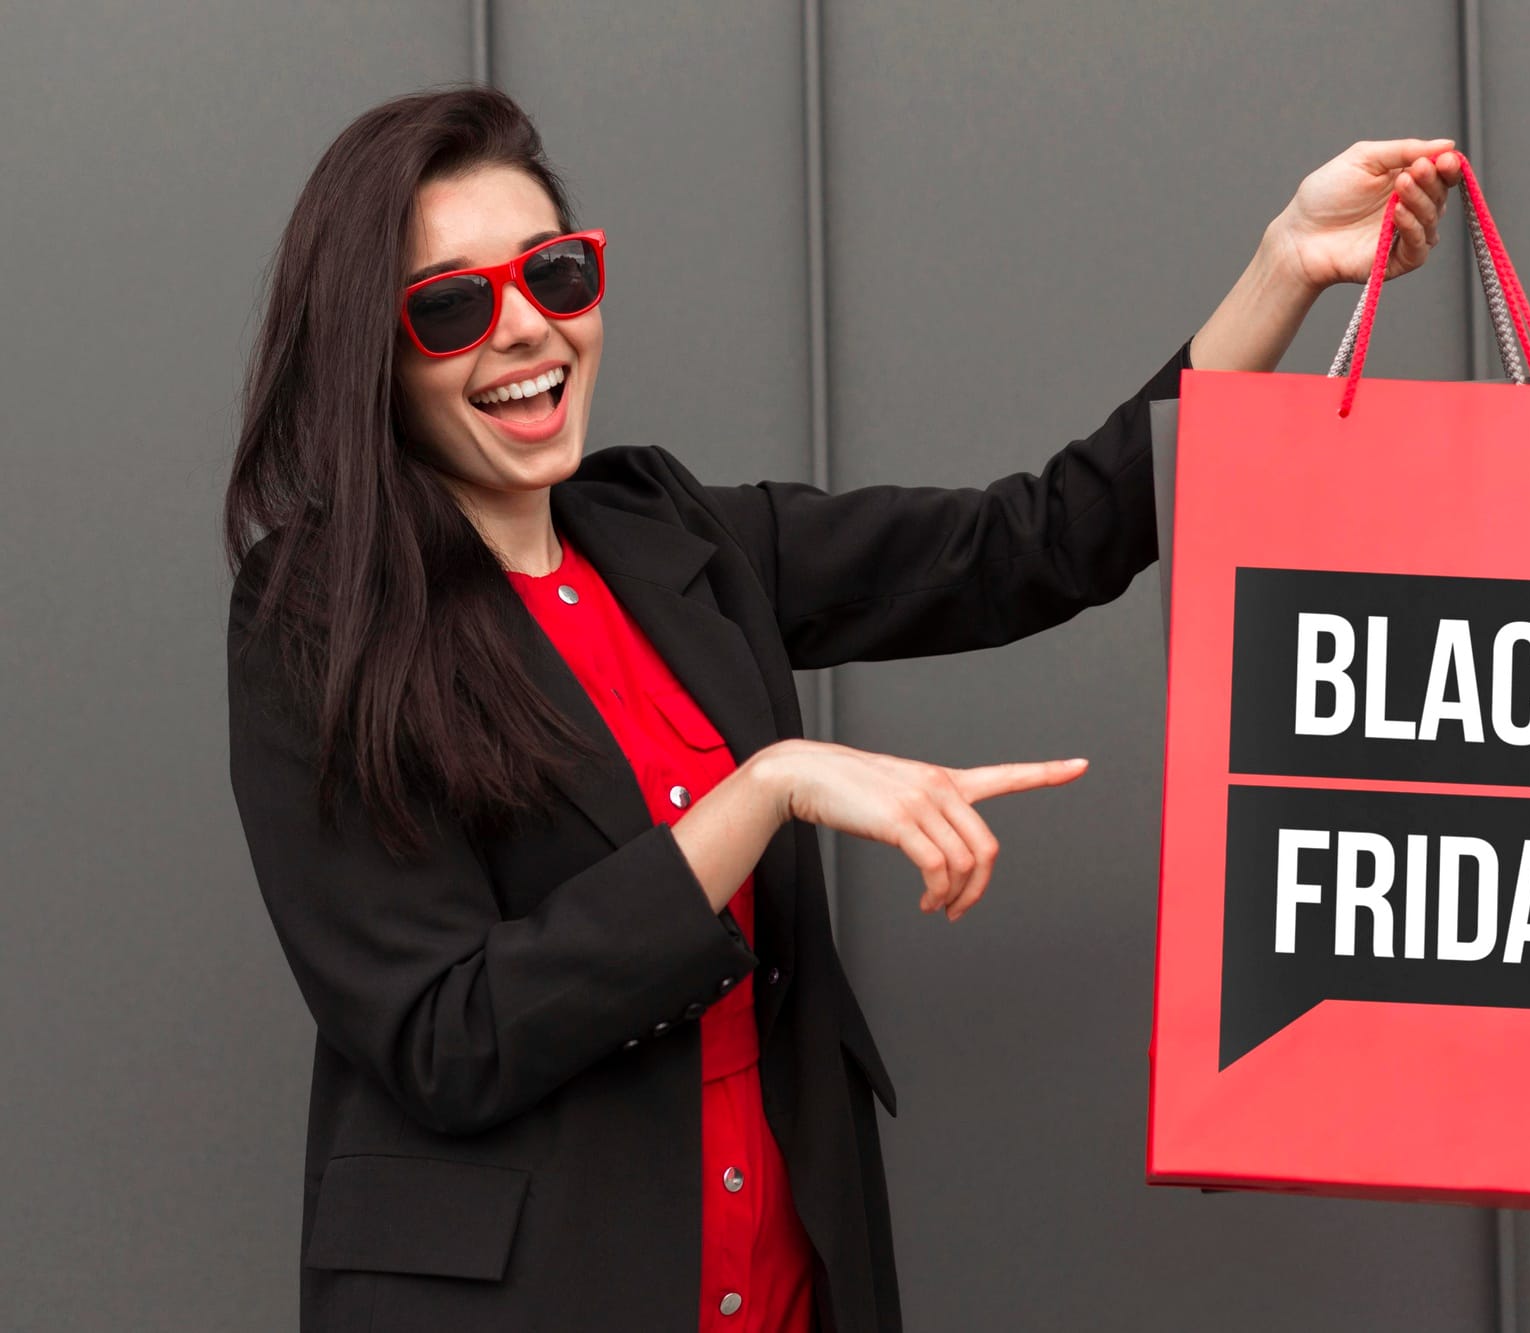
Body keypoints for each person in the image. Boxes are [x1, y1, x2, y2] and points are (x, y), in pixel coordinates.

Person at [223, 85, 1459, 1333]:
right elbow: (447, 1036)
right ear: (367, 351)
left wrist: (1285, 266)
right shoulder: (315, 618)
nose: (524, 330)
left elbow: (1030, 541)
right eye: (449, 305)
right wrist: (766, 789)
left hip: (782, 1290)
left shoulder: (671, 533)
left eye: (554, 273)